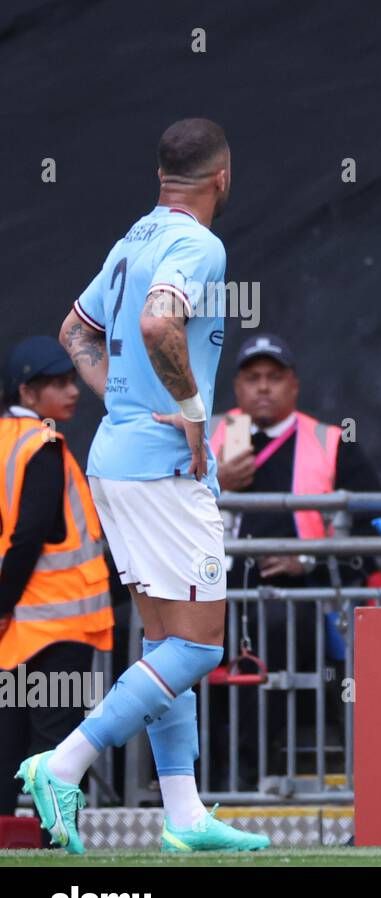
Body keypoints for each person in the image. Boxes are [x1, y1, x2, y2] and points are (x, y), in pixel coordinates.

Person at [21, 118, 267, 854]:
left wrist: (121, 400)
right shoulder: (198, 243)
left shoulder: (133, 238)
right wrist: (193, 415)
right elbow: (163, 324)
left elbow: (74, 333)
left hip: (118, 455)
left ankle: (184, 813)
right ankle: (63, 764)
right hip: (162, 466)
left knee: (163, 640)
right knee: (198, 648)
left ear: (163, 175)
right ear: (222, 177)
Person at [208, 334, 381, 788]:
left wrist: (305, 560)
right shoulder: (205, 438)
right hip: (212, 590)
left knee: (273, 631)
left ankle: (252, 779)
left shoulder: (331, 441)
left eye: (274, 377)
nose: (263, 388)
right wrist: (214, 479)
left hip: (300, 597)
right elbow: (161, 507)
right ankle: (190, 782)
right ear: (236, 386)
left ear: (294, 386)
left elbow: (375, 527)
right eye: (253, 378)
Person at [0, 339, 113, 828]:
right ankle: (59, 847)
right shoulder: (43, 444)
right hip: (58, 621)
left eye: (72, 381)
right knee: (59, 744)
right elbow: (31, 534)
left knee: (8, 742)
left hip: (19, 627)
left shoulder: (5, 438)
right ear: (28, 391)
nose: (72, 392)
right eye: (59, 384)